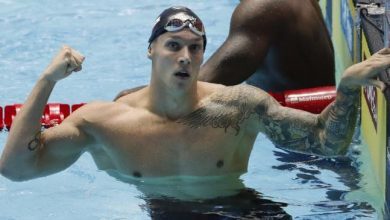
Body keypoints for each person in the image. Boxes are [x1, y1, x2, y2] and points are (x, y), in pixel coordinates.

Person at [0, 6, 388, 219]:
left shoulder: (238, 106)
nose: (185, 57)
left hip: (244, 210)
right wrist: (47, 80)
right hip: (168, 212)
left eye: (195, 47)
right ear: (151, 50)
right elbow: (16, 169)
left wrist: (348, 88)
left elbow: (327, 142)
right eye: (173, 45)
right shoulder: (105, 124)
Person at [115, 0, 335, 100]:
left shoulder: (261, 8)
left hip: (304, 150)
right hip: (308, 129)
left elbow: (198, 85)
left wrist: (139, 97)